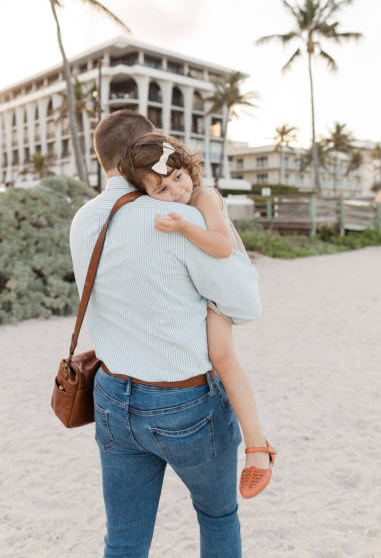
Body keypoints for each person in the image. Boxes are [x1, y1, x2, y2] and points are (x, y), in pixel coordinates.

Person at [69, 109, 262, 557]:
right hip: (186, 402)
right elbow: (245, 303)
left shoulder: (83, 219)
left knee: (124, 540)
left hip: (113, 395)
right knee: (217, 517)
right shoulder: (172, 218)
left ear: (102, 162)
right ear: (152, 148)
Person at [118, 132, 277, 500]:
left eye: (178, 177)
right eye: (161, 190)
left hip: (221, 288)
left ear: (188, 166)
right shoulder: (167, 203)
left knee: (224, 358)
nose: (176, 190)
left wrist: (184, 227)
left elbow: (222, 247)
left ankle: (258, 446)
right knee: (213, 358)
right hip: (200, 286)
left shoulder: (203, 196)